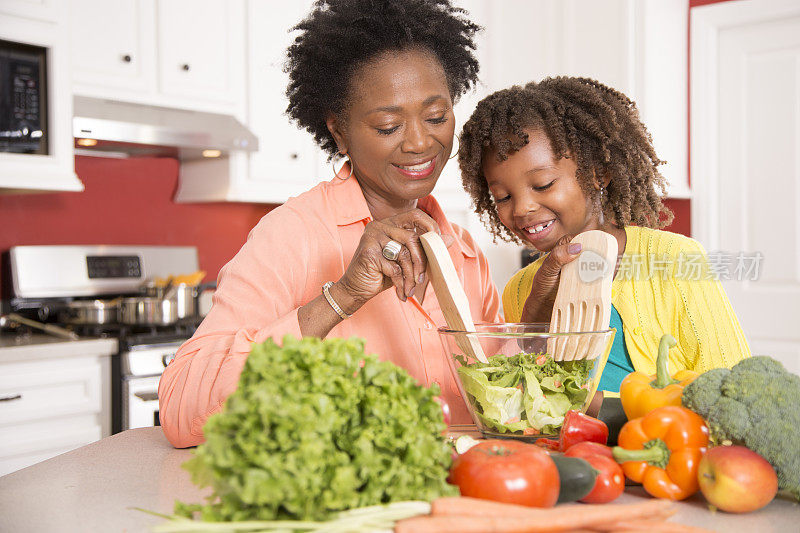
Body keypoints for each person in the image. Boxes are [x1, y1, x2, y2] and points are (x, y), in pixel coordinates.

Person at [158, 0, 500, 448]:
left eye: (437, 117)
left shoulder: (464, 250)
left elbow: (501, 403)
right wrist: (342, 297)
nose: (420, 141)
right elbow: (182, 409)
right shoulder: (292, 235)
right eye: (387, 125)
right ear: (339, 131)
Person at [458, 77, 750, 396]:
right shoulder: (520, 290)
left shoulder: (676, 260)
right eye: (502, 197)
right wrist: (535, 328)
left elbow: (736, 392)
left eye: (542, 185)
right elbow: (533, 406)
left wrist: (597, 408)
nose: (522, 208)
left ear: (598, 173)